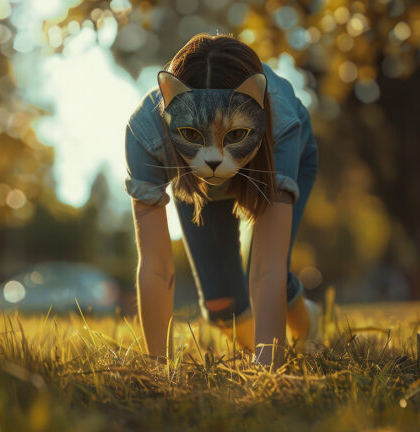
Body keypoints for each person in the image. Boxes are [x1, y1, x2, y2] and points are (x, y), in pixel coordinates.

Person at [124, 33, 320, 367]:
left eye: (234, 134)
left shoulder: (283, 126)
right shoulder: (146, 133)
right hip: (191, 181)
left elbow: (266, 270)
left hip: (276, 163)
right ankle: (261, 346)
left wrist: (269, 371)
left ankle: (309, 332)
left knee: (272, 278)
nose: (214, 159)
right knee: (221, 305)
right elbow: (156, 268)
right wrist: (155, 369)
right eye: (191, 134)